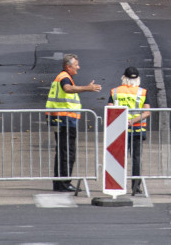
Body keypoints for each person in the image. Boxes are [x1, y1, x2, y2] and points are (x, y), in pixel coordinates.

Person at [45, 53, 101, 192]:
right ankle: (64, 183)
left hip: (59, 119)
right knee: (68, 152)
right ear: (68, 66)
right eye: (76, 65)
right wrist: (87, 88)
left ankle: (58, 183)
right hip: (65, 120)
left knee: (62, 151)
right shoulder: (64, 78)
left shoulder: (62, 77)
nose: (79, 67)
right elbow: (67, 89)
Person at [108, 66, 151, 196]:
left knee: (117, 158)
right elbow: (147, 112)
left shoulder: (115, 91)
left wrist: (122, 121)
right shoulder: (142, 92)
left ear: (123, 77)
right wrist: (132, 121)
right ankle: (135, 187)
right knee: (136, 158)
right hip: (137, 129)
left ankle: (116, 185)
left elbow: (109, 109)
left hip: (119, 130)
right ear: (137, 79)